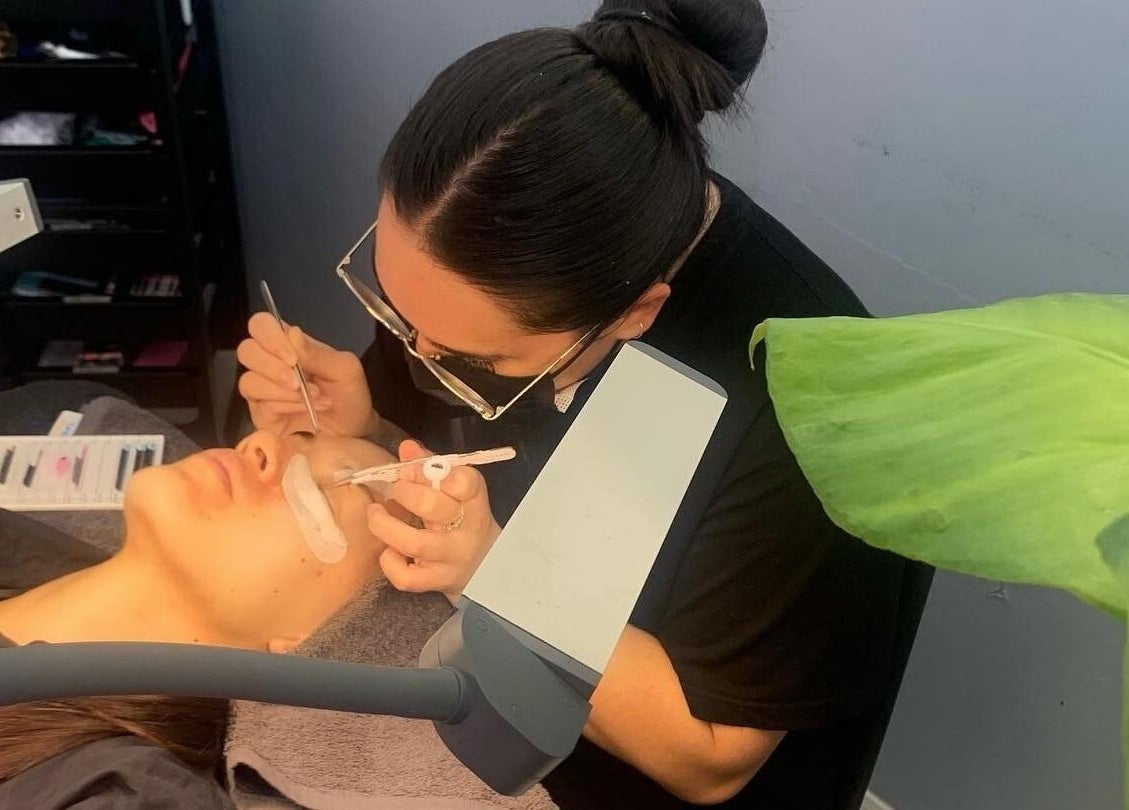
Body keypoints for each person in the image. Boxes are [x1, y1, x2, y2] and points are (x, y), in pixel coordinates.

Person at [237, 1, 910, 806]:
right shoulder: (484, 249)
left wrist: (498, 577)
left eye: (475, 358)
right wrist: (365, 417)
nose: (417, 352)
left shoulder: (815, 414)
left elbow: (710, 757)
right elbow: (433, 412)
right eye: (393, 306)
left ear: (634, 313)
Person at [0, 428, 398, 807]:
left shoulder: (119, 792)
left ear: (317, 638)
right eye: (301, 439)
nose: (260, 444)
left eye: (318, 496)